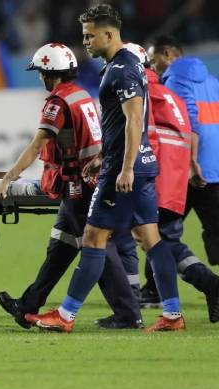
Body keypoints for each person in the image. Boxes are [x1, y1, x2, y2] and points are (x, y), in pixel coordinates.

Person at [25, 4, 184, 333]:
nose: (85, 42)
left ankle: (65, 316)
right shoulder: (128, 64)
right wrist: (105, 157)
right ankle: (172, 313)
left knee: (94, 237)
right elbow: (122, 123)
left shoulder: (122, 70)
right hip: (138, 164)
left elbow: (135, 117)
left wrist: (122, 166)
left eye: (89, 35)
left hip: (125, 170)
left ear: (109, 34)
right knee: (150, 238)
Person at [0, 43, 142, 330]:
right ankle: (27, 306)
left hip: (78, 185)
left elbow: (38, 144)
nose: (40, 78)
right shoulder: (82, 94)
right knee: (61, 245)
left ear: (50, 73)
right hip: (85, 181)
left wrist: (8, 177)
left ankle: (128, 313)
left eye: (40, 72)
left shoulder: (57, 103)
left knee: (97, 244)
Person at [111, 43, 219, 322]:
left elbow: (142, 135)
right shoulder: (175, 92)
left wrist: (127, 169)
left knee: (123, 234)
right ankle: (187, 293)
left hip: (159, 177)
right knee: (166, 241)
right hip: (183, 177)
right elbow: (186, 127)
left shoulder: (141, 92)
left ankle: (131, 304)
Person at [148, 36, 219, 268]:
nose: (152, 66)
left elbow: (189, 121)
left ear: (168, 54)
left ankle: (154, 290)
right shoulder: (212, 81)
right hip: (215, 169)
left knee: (159, 232)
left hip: (187, 169)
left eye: (153, 59)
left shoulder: (174, 81)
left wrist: (191, 162)